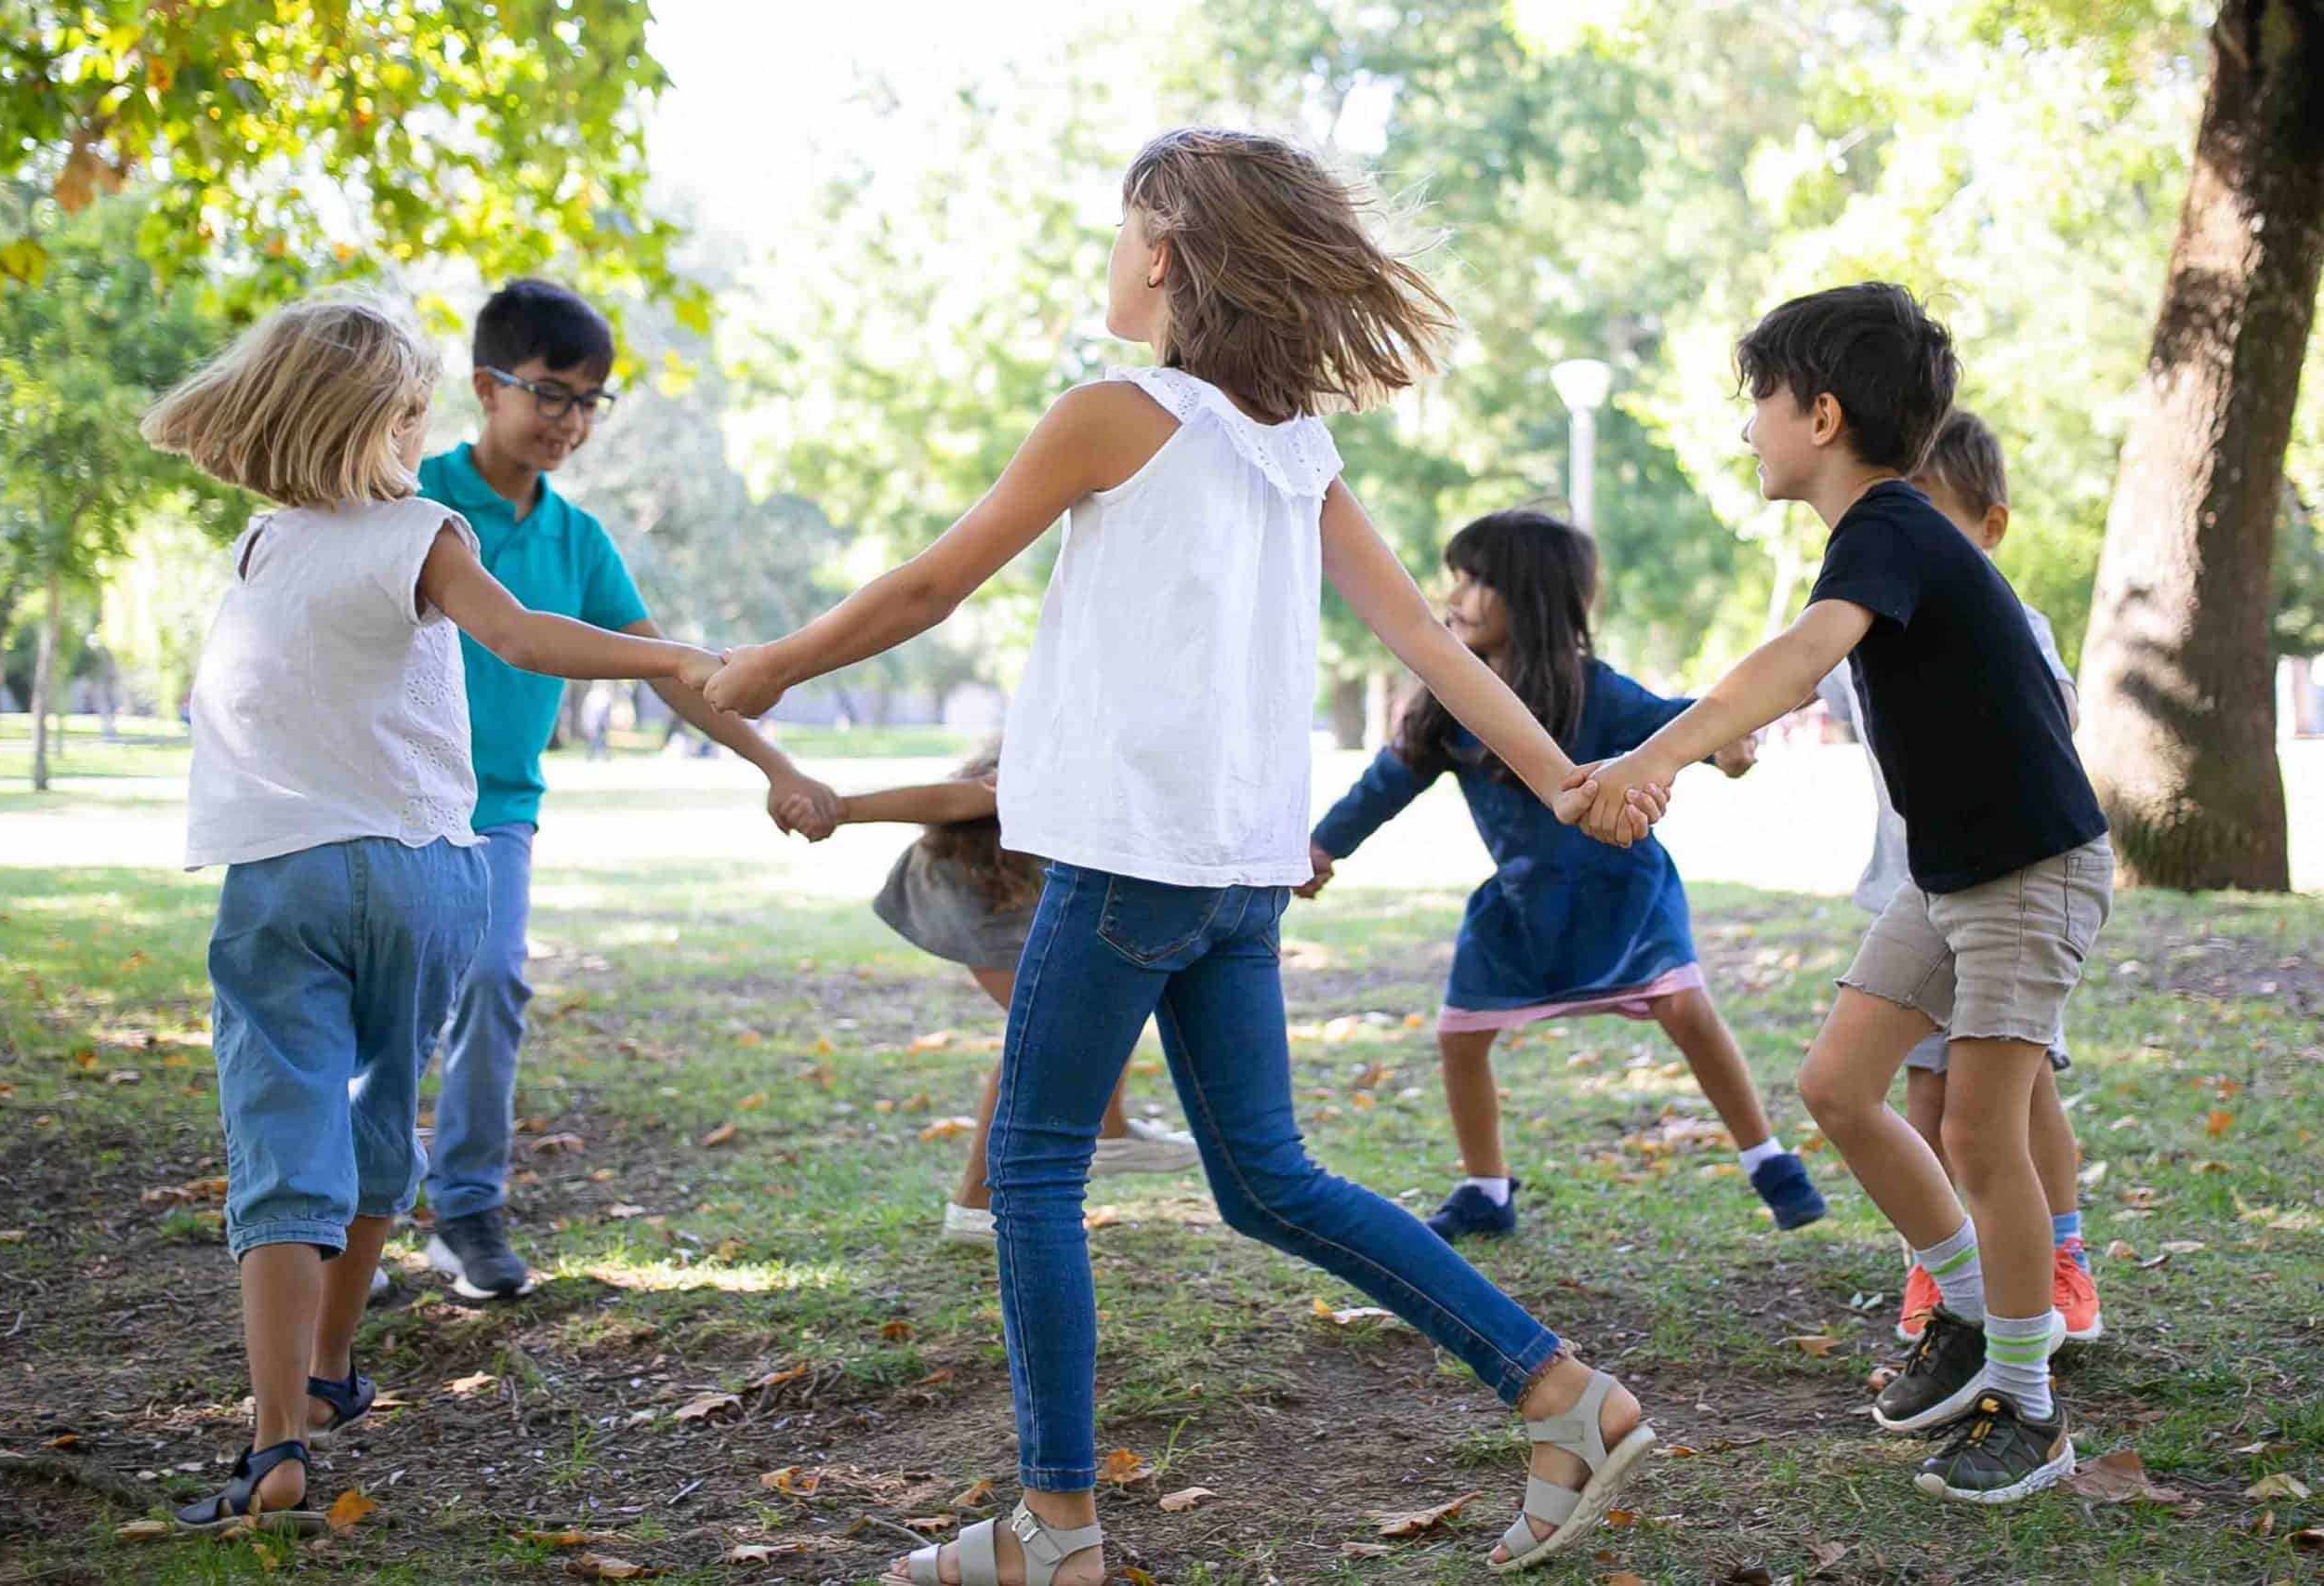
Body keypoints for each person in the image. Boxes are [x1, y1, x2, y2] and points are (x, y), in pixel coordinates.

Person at [706, 126, 1670, 1585]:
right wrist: (1565, 776)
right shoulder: (1294, 450)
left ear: (1161, 251)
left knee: (1032, 1168)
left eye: (1120, 228)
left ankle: (1056, 1527)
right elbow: (1428, 645)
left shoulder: (1115, 414)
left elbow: (930, 583)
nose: (1110, 254)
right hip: (1235, 878)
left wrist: (773, 666)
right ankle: (1563, 1395)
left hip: (1130, 865)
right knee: (1266, 1178)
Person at [140, 291, 723, 1531]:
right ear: (386, 421)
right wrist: (675, 657)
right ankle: (333, 1365)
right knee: (380, 1108)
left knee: (281, 1136)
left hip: (284, 878)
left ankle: (274, 1437)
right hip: (426, 872)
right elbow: (520, 638)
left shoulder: (261, 549)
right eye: (412, 411)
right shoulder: (421, 530)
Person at [1570, 283, 2112, 1506]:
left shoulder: (1891, 523)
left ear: (1820, 416)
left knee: (1980, 1129)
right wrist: (1705, 737)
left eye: (1757, 401)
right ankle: (1968, 1311)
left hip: (2029, 869)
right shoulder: (1882, 540)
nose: (1745, 427)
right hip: (1952, 869)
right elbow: (1805, 671)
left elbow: (1804, 650)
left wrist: (1654, 758)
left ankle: (2028, 1401)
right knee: (1836, 1084)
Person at [409, 279, 840, 1300]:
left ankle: (466, 1209)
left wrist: (777, 765)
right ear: (487, 386)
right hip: (391, 803)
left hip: (499, 810)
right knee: (382, 1016)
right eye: (551, 393)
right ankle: (346, 1217)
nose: (571, 421)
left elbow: (668, 672)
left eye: (590, 401)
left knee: (493, 984)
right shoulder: (413, 499)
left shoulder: (577, 540)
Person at [1302, 509, 1826, 1241]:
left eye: (1476, 580)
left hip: (1626, 895)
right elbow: (1387, 783)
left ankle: (1767, 1159)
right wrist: (1324, 846)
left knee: (1686, 1009)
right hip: (1522, 910)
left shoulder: (1594, 691)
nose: (1454, 596)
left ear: (1531, 599)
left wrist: (1731, 740)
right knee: (1460, 1036)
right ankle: (1486, 1190)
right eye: (1456, 577)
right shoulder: (1450, 704)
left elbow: (1682, 723)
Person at [1816, 411, 2100, 1346]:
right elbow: (1801, 676)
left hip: (2012, 876)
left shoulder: (2003, 616)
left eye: (1928, 510)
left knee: (2008, 1102)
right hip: (1918, 884)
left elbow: (2049, 720)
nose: (1908, 534)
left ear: (1989, 525)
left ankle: (2053, 1266)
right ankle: (1949, 1267)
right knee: (1918, 1093)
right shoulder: (1859, 598)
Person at [778, 740, 1202, 1244]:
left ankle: (1109, 1133)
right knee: (1048, 1029)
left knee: (1107, 999)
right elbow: (956, 799)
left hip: (1029, 875)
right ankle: (975, 1205)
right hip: (975, 883)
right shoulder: (1070, 748)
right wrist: (841, 809)